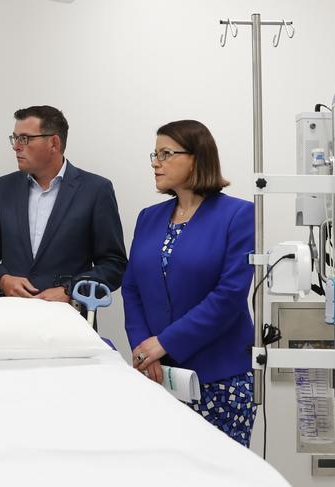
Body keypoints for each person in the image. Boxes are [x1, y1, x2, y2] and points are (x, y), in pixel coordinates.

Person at [122, 119, 256, 447]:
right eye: (154, 154)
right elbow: (132, 287)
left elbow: (229, 296)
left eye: (166, 153)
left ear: (196, 157)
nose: (156, 162)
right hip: (158, 376)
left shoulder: (239, 215)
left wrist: (165, 342)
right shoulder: (148, 217)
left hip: (220, 380)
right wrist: (144, 350)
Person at [0, 105, 126, 306]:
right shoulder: (4, 188)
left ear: (54, 142)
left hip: (68, 320)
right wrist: (3, 280)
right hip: (10, 318)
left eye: (25, 139)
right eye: (15, 138)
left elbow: (114, 264)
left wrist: (70, 290)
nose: (16, 146)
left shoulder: (96, 190)